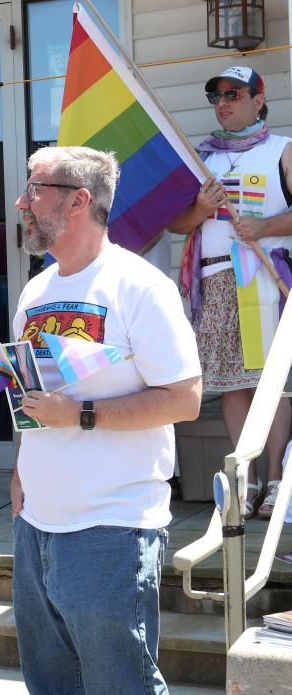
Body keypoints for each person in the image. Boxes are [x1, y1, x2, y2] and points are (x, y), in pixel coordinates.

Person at [11, 146, 202, 694]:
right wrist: (20, 468)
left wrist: (82, 415)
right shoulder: (36, 290)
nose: (23, 200)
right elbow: (30, 390)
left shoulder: (140, 286)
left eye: (36, 189)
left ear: (78, 201)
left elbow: (184, 398)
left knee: (121, 683)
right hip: (37, 524)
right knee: (51, 683)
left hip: (112, 525)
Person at [169, 66, 292, 519]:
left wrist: (265, 226)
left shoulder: (283, 150)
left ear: (259, 99)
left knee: (270, 383)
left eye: (234, 94)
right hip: (215, 282)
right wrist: (200, 208)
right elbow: (175, 223)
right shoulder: (203, 157)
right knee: (233, 386)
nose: (223, 103)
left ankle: (277, 478)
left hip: (263, 278)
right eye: (217, 96)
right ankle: (247, 477)